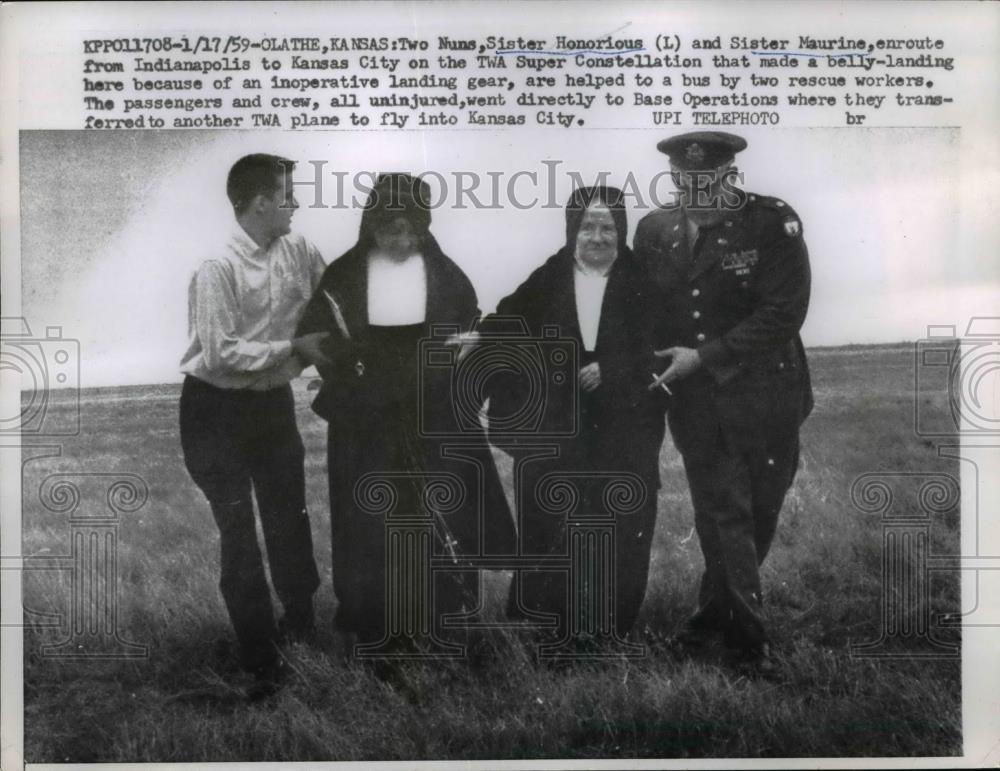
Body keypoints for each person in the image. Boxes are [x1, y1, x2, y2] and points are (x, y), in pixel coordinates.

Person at [295, 173, 515, 657]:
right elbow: (320, 338)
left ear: (423, 228)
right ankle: (378, 629)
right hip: (367, 422)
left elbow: (467, 332)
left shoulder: (447, 274)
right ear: (371, 227)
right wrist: (345, 369)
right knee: (373, 520)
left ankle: (443, 624)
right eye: (390, 230)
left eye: (410, 230)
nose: (401, 240)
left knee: (440, 516)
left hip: (432, 417)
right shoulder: (343, 276)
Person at [635, 131, 813, 669]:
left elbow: (784, 312)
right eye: (682, 179)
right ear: (672, 177)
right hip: (699, 405)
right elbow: (642, 307)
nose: (694, 188)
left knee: (758, 515)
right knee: (724, 517)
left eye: (706, 179)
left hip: (768, 398)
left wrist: (706, 356)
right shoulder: (653, 230)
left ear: (728, 174)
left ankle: (707, 625)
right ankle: (748, 648)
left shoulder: (770, 223)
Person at [488, 186, 667, 647]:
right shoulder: (549, 276)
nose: (597, 236)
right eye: (587, 226)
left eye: (608, 227)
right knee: (552, 514)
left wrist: (615, 368)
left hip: (625, 423)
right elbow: (507, 321)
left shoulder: (645, 278)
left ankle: (610, 625)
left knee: (619, 518)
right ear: (572, 230)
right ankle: (550, 624)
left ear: (621, 231)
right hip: (559, 421)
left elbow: (666, 342)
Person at [179, 153, 330, 687]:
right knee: (238, 529)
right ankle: (258, 653)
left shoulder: (301, 250)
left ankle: (302, 625)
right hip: (214, 410)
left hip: (271, 407)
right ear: (262, 202)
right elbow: (219, 355)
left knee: (290, 515)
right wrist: (294, 346)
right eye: (288, 195)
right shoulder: (215, 265)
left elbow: (333, 304)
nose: (296, 204)